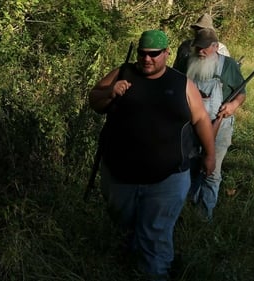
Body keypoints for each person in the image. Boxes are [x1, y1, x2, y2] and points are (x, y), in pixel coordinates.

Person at [89, 30, 216, 280]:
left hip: (168, 178)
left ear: (167, 53)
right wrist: (110, 92)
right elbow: (94, 100)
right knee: (125, 226)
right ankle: (131, 262)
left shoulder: (182, 84)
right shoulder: (123, 73)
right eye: (142, 54)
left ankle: (157, 273)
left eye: (154, 54)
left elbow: (201, 118)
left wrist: (209, 155)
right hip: (118, 174)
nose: (147, 59)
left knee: (155, 233)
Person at [184, 28, 246, 222]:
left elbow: (241, 92)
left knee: (211, 171)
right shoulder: (188, 62)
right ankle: (189, 207)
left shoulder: (228, 65)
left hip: (220, 127)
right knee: (190, 167)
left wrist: (233, 105)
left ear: (215, 47)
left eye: (204, 48)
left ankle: (204, 215)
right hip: (191, 127)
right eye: (197, 48)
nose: (200, 52)